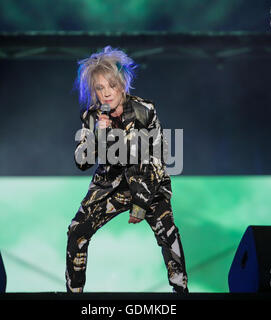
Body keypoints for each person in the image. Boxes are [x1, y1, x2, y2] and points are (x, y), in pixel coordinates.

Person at [66, 45, 188, 293]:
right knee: (76, 230)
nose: (107, 93)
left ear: (122, 84)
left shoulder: (145, 111)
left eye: (111, 85)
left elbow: (157, 158)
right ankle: (73, 294)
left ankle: (181, 291)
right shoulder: (90, 117)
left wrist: (141, 204)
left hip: (147, 181)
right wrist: (98, 135)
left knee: (168, 232)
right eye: (100, 88)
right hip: (109, 184)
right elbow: (81, 161)